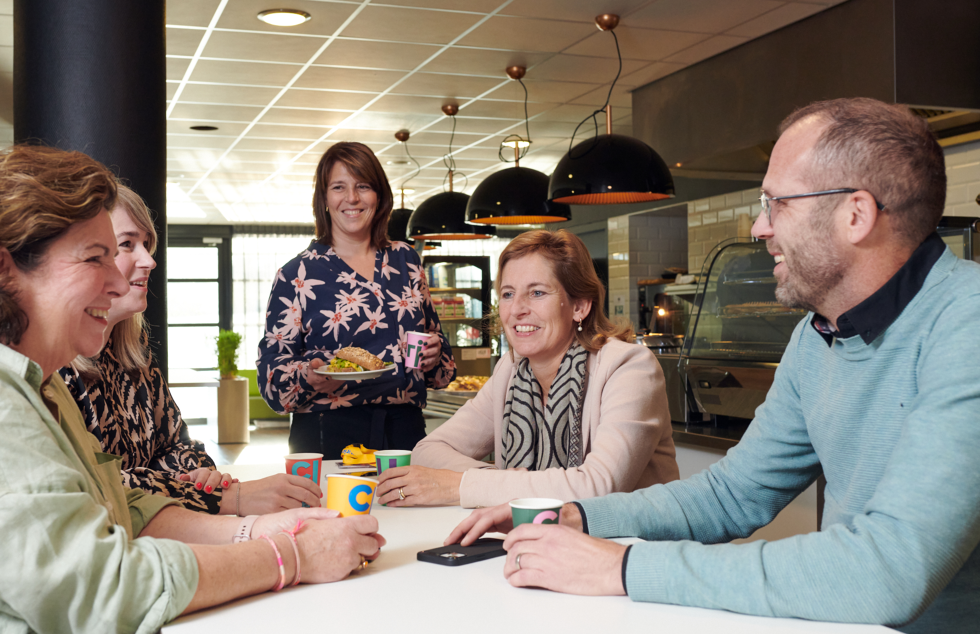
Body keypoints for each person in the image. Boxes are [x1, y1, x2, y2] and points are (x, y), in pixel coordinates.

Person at [447, 98, 980, 633]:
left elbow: (885, 573)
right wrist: (579, 516)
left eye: (776, 204)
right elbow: (732, 494)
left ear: (856, 214)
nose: (759, 227)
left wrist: (624, 568)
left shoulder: (967, 325)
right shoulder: (816, 335)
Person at [0, 145, 385, 632]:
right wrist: (290, 555)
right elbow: (106, 590)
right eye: (98, 257)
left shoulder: (43, 386)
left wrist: (252, 528)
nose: (121, 281)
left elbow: (121, 501)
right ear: (6, 270)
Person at [59, 185, 323, 514]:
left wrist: (199, 476)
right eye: (127, 244)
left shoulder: (133, 350)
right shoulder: (55, 365)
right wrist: (221, 498)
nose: (150, 260)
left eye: (147, 244)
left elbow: (176, 443)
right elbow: (95, 484)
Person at [375, 230, 679, 508]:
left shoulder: (628, 367)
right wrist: (493, 481)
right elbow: (429, 449)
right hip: (543, 545)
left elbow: (598, 487)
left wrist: (466, 485)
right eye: (508, 294)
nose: (517, 308)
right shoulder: (511, 372)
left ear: (580, 306)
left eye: (537, 292)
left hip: (636, 553)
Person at [258, 142, 456, 459]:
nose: (352, 198)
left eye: (362, 186)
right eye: (339, 187)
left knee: (414, 510)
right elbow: (271, 384)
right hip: (328, 434)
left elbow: (442, 366)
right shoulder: (297, 274)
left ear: (379, 196)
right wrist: (308, 376)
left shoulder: (406, 260)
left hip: (405, 430)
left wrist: (434, 355)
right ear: (324, 199)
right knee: (336, 511)